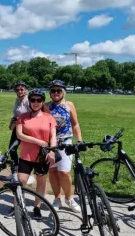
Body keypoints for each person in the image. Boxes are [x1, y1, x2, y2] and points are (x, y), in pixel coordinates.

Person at [16, 89, 58, 218]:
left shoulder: (48, 117)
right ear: (29, 101)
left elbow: (53, 136)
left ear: (42, 101)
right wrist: (37, 141)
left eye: (38, 100)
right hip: (26, 155)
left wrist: (52, 151)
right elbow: (19, 134)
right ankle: (18, 205)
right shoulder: (23, 117)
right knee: (21, 180)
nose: (35, 102)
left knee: (41, 181)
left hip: (42, 156)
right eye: (33, 100)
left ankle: (37, 207)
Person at [46, 80, 82, 212]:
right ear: (50, 93)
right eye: (53, 91)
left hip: (66, 142)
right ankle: (57, 198)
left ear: (63, 92)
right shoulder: (46, 106)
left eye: (58, 90)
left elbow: (75, 123)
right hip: (51, 144)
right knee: (53, 172)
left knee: (64, 172)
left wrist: (79, 140)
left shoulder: (69, 105)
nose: (56, 93)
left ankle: (69, 198)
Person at [7, 81, 31, 181]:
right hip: (17, 127)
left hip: (27, 129)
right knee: (12, 149)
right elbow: (16, 114)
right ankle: (15, 172)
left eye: (21, 89)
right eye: (17, 90)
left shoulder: (29, 101)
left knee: (26, 152)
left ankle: (26, 175)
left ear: (25, 89)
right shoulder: (18, 100)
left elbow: (33, 115)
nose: (20, 91)